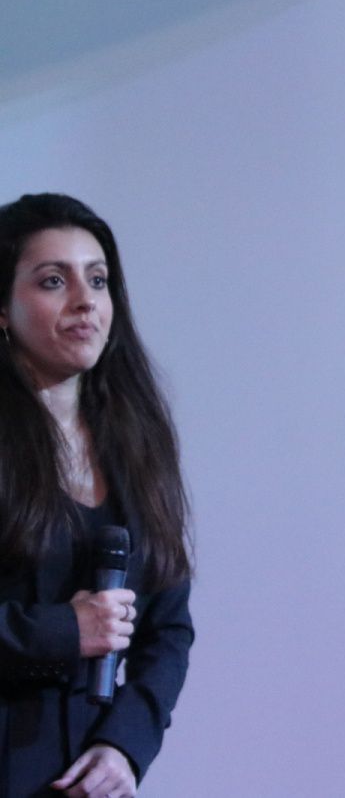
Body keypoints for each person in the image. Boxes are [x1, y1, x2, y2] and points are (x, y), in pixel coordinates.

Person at [0, 193, 193, 798]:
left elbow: (168, 629)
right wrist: (64, 630)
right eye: (53, 281)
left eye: (99, 280)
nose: (85, 300)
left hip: (86, 775)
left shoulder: (138, 441)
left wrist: (126, 746)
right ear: (2, 308)